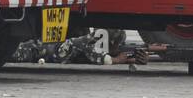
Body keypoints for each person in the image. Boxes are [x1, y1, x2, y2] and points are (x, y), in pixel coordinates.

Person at [13, 29, 149, 65]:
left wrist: (135, 58)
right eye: (116, 43)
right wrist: (119, 60)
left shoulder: (94, 47)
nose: (118, 47)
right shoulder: (86, 42)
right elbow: (104, 60)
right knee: (6, 54)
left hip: (37, 52)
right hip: (31, 50)